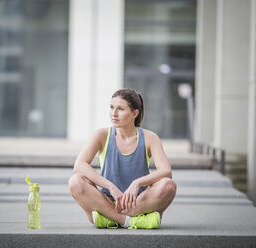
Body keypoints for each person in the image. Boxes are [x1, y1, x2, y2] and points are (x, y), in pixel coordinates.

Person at [68, 88, 177, 229]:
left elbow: (166, 171)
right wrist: (110, 187)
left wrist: (137, 183)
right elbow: (79, 165)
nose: (114, 113)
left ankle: (110, 218)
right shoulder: (101, 135)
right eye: (112, 107)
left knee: (168, 185)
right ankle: (131, 220)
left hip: (138, 202)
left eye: (120, 109)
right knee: (75, 181)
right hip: (107, 201)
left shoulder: (150, 138)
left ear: (134, 113)